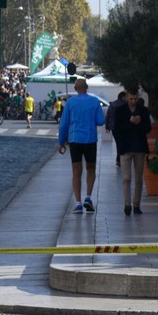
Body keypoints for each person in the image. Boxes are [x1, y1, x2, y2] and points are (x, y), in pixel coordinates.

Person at [58, 78, 105, 214]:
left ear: (75, 88)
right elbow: (101, 121)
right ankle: (88, 197)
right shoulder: (95, 101)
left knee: (76, 171)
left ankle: (78, 203)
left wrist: (61, 142)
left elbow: (64, 124)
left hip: (75, 139)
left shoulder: (70, 103)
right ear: (87, 87)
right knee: (91, 169)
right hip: (90, 139)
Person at [113, 88, 151, 215]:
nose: (133, 101)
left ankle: (136, 205)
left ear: (138, 97)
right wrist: (130, 122)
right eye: (130, 99)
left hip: (140, 148)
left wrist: (139, 123)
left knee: (139, 179)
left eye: (135, 99)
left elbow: (147, 129)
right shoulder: (120, 110)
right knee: (126, 178)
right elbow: (117, 129)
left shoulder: (143, 111)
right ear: (126, 97)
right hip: (125, 148)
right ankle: (127, 204)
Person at [105, 91, 127, 167]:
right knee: (122, 143)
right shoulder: (125, 105)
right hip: (122, 127)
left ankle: (119, 159)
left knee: (118, 143)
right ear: (123, 97)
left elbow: (108, 116)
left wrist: (107, 126)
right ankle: (120, 159)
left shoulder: (112, 104)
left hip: (113, 127)